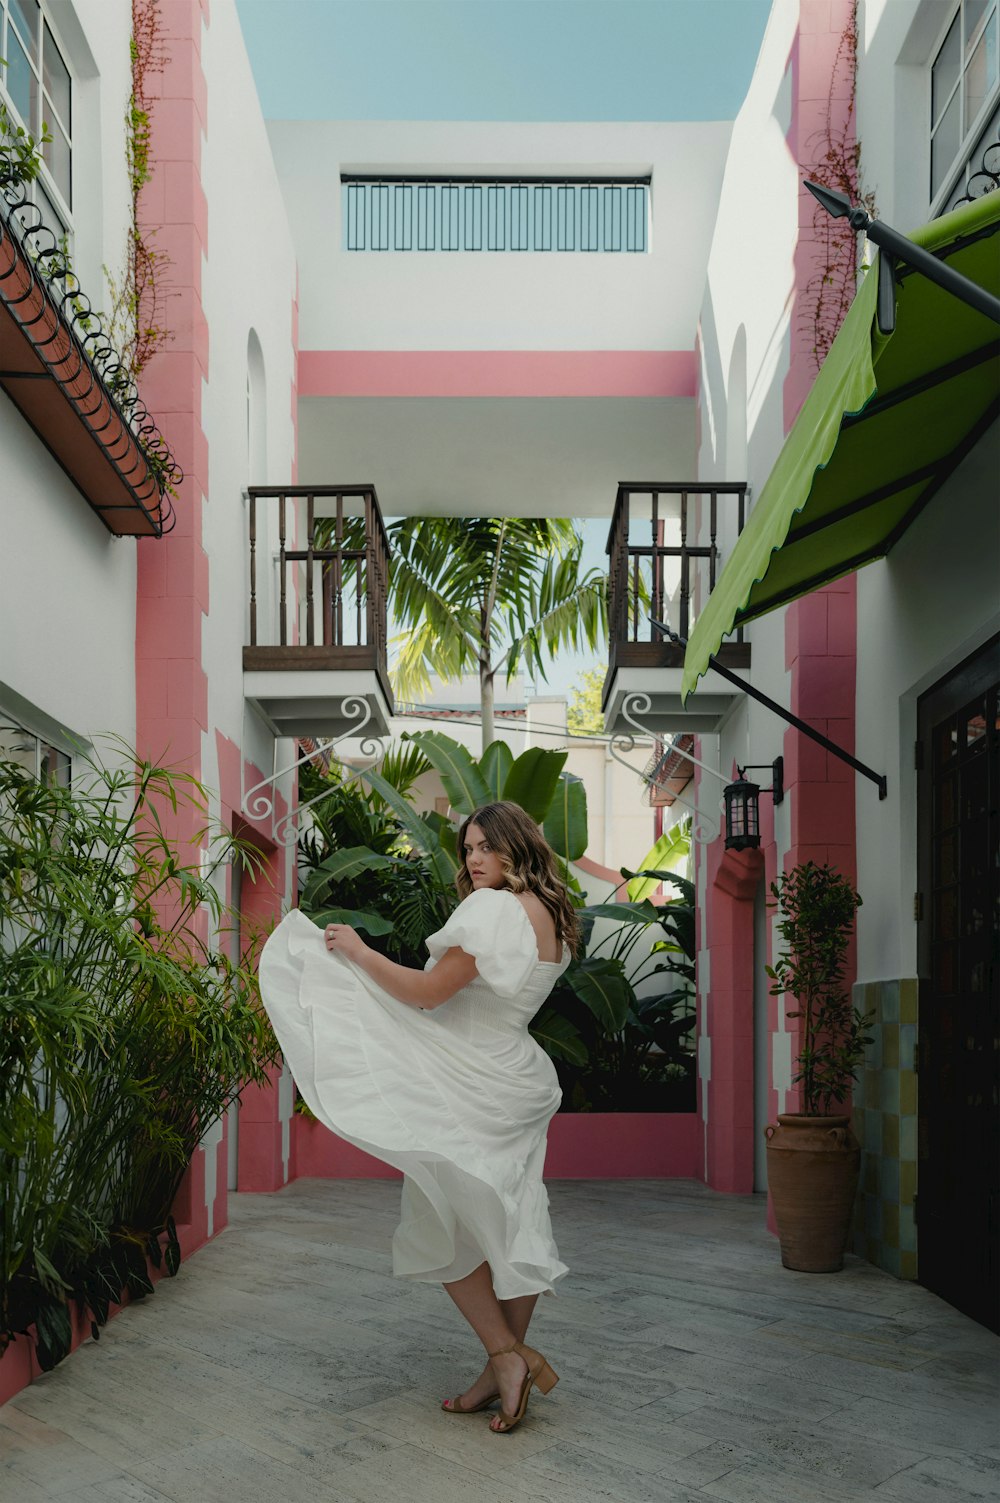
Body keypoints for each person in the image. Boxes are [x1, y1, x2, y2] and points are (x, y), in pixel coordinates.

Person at [257, 799, 579, 1434]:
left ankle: (504, 1359)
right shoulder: (554, 918)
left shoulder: (492, 910)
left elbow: (431, 995)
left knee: (443, 1220)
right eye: (468, 849)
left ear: (517, 845)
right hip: (513, 1076)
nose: (475, 859)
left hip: (469, 1077)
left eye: (487, 846)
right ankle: (504, 1369)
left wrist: (354, 951)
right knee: (507, 1218)